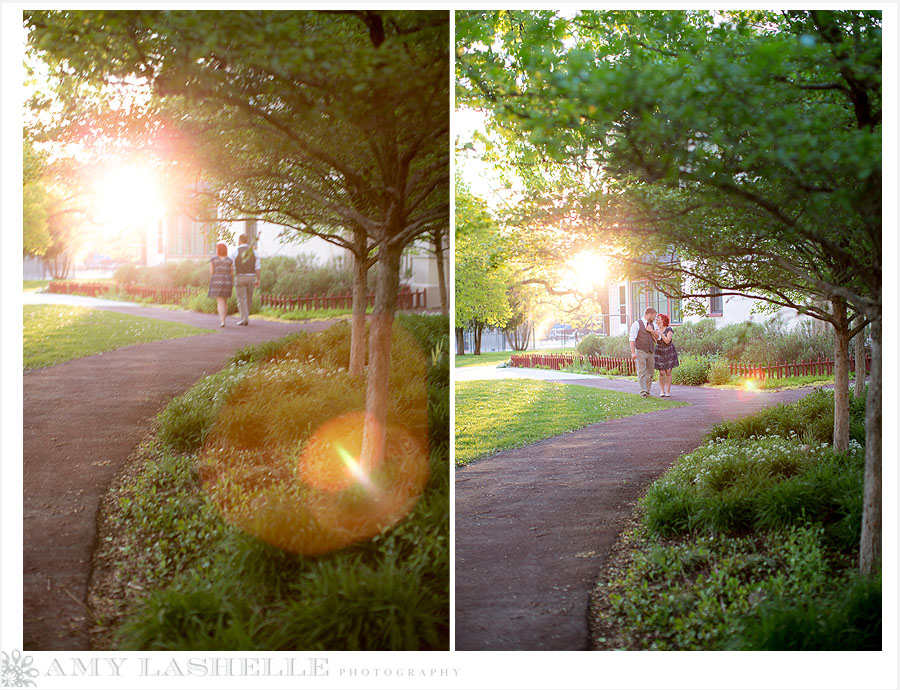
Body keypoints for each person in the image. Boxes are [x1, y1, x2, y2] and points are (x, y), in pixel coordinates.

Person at [629, 307, 659, 397]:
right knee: (642, 371)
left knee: (650, 372)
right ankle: (643, 391)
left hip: (651, 351)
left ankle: (647, 390)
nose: (655, 318)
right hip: (641, 350)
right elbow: (632, 339)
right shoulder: (636, 324)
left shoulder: (653, 325)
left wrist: (651, 330)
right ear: (649, 314)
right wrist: (633, 352)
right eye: (654, 316)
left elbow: (658, 337)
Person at [233, 233, 260, 326]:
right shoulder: (254, 251)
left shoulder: (235, 251)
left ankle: (244, 319)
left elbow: (232, 266)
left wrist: (232, 277)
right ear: (247, 241)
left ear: (239, 241)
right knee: (249, 298)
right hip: (251, 276)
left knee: (241, 299)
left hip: (240, 276)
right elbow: (258, 267)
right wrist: (258, 279)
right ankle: (246, 317)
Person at [208, 242, 234, 327]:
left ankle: (222, 321)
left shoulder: (213, 260)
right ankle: (224, 320)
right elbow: (231, 272)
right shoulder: (229, 260)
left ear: (218, 250)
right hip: (227, 281)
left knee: (220, 301)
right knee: (225, 301)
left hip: (217, 280)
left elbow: (211, 272)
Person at [654, 313, 679, 397]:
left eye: (658, 318)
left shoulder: (669, 329)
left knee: (668, 371)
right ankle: (662, 390)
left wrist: (661, 333)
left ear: (663, 320)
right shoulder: (655, 328)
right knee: (661, 372)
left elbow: (667, 341)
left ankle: (668, 390)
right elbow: (655, 340)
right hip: (659, 351)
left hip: (668, 351)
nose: (656, 319)